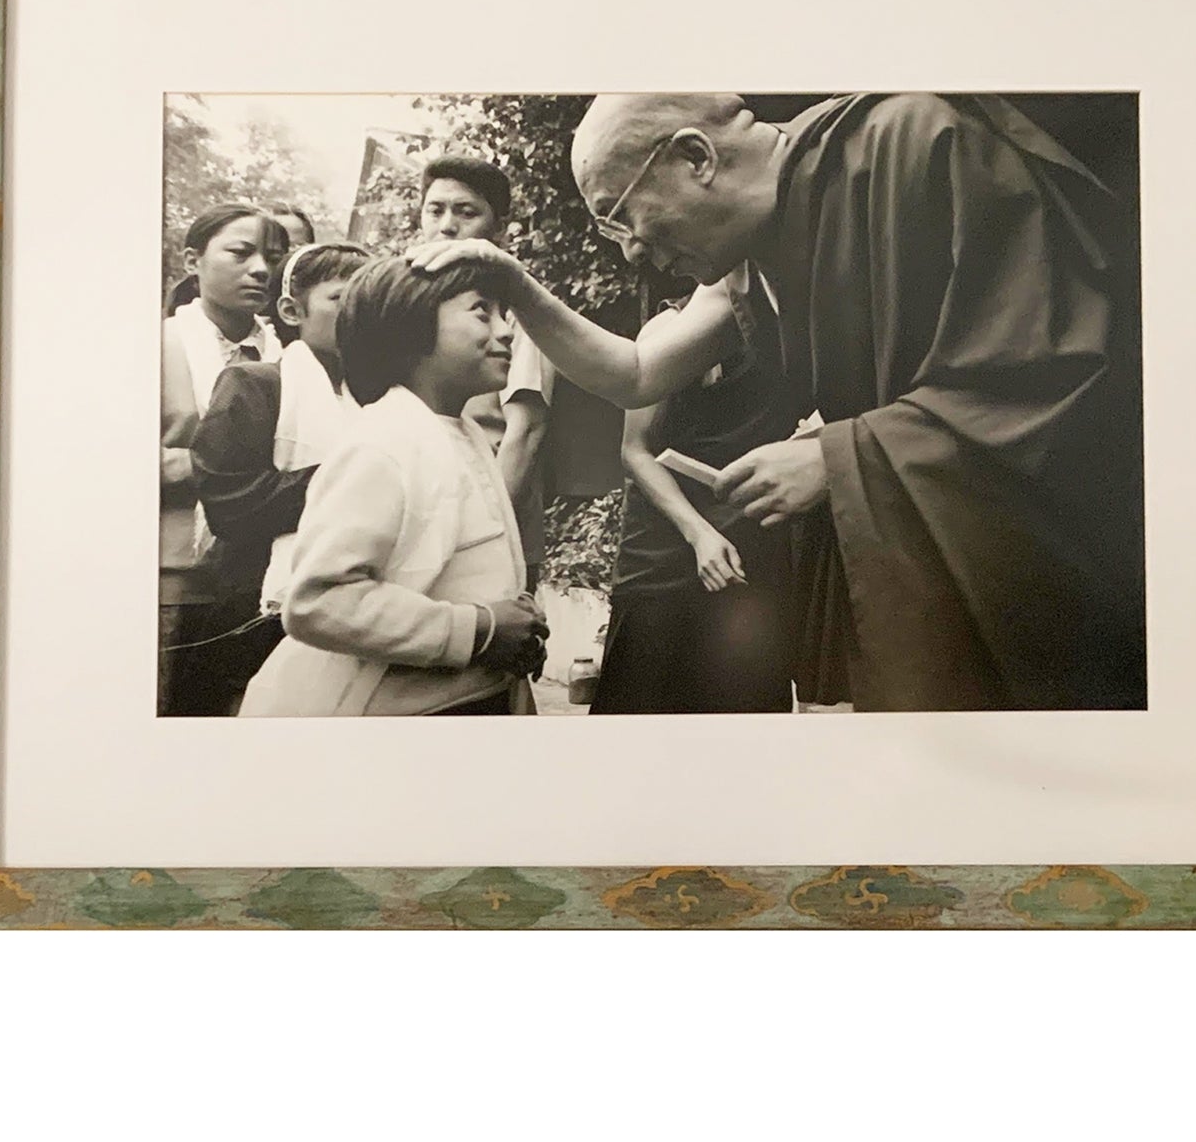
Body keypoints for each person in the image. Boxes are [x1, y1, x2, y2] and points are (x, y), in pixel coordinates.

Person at [409, 92, 1146, 713]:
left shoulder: (915, 144)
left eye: (623, 216)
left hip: (1039, 558)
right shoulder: (750, 261)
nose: (630, 251)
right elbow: (635, 373)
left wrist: (832, 456)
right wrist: (505, 277)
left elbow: (1052, 370)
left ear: (696, 158)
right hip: (930, 542)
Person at [239, 257, 548, 717]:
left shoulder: (461, 431)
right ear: (410, 329)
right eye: (482, 312)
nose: (507, 331)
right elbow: (318, 602)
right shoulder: (383, 444)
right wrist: (476, 629)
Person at [592, 282, 797, 714]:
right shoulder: (666, 329)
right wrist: (699, 534)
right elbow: (634, 449)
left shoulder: (790, 331)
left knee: (745, 716)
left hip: (751, 543)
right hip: (663, 548)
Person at [187, 241, 370, 713]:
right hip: (255, 611)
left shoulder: (377, 397)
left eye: (369, 303)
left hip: (354, 611)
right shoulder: (253, 385)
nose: (357, 313)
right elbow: (230, 505)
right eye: (341, 298)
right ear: (292, 309)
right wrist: (352, 480)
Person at [159, 204, 289, 715]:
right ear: (194, 259)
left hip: (265, 580)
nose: (261, 268)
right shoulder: (155, 344)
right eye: (241, 252)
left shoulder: (288, 352)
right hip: (176, 580)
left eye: (274, 257)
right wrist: (236, 469)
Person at [418, 152, 557, 585]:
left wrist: (475, 534)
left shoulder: (517, 309)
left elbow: (525, 433)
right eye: (435, 210)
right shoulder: (410, 301)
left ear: (497, 229)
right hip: (421, 524)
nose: (446, 226)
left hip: (490, 530)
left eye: (466, 212)